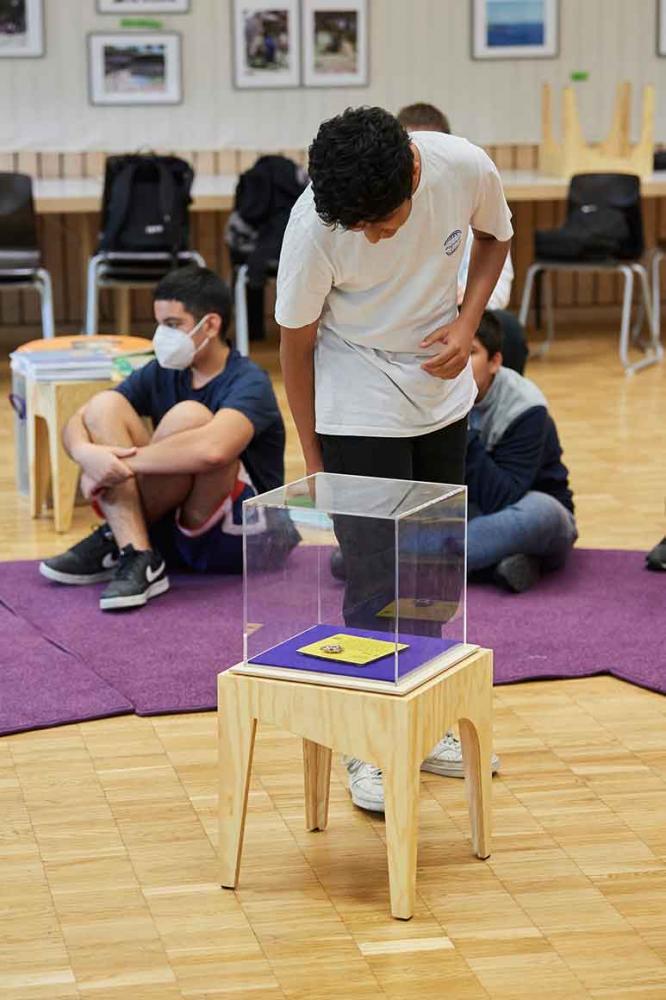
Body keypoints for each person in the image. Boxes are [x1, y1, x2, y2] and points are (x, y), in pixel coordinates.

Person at [276, 106, 511, 811]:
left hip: (439, 390)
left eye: (382, 220)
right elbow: (294, 344)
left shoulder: (462, 165)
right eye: (360, 225)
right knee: (377, 578)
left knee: (434, 565)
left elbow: (497, 237)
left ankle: (426, 720)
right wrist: (317, 459)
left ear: (413, 169)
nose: (372, 234)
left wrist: (468, 324)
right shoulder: (315, 225)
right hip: (353, 389)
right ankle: (366, 743)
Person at [40, 265, 289, 611]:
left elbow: (214, 451)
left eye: (173, 325)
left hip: (248, 535)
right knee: (105, 405)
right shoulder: (163, 371)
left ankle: (119, 536)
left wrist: (113, 466)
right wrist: (86, 455)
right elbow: (80, 420)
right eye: (160, 324)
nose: (162, 335)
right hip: (176, 522)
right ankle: (137, 550)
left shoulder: (249, 380)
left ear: (211, 325)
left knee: (190, 417)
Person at [397, 101, 528, 375]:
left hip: (463, 314)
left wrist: (465, 307)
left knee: (508, 329)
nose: (418, 167)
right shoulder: (384, 214)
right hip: (401, 320)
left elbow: (501, 286)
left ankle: (491, 406)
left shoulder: (473, 200)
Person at [467, 312, 577, 592]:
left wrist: (458, 428)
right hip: (467, 511)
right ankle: (507, 562)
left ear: (495, 362)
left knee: (543, 513)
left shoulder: (526, 406)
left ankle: (404, 562)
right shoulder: (431, 395)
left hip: (525, 508)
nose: (458, 362)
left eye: (470, 352)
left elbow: (503, 497)